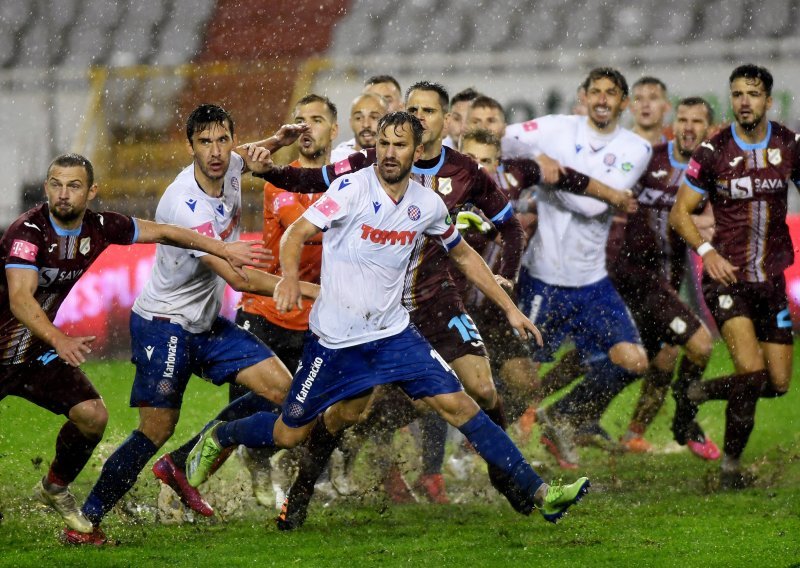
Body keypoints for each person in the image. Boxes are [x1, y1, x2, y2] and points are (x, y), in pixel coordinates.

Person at [184, 111, 590, 530]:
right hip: (336, 341)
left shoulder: (427, 204)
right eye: (384, 144)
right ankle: (223, 437)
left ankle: (541, 493)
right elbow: (295, 234)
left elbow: (464, 254)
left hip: (394, 335)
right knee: (291, 433)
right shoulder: (350, 188)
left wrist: (510, 309)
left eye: (400, 145)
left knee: (461, 404)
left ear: (417, 151)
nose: (390, 153)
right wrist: (288, 278)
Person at [258, 81, 536, 510]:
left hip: (436, 300)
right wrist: (268, 169)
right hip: (373, 311)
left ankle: (509, 478)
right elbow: (310, 179)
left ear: (445, 122)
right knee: (348, 414)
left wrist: (509, 284)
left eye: (428, 112)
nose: (420, 117)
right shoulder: (368, 165)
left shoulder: (465, 172)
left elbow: (501, 233)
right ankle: (308, 486)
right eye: (413, 109)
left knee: (478, 389)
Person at [63, 104, 319, 545]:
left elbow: (252, 154)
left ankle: (192, 456)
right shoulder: (184, 203)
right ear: (190, 146)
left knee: (287, 395)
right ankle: (87, 521)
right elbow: (239, 277)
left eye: (223, 140)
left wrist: (279, 139)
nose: (216, 152)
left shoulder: (234, 165)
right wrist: (316, 292)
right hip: (163, 326)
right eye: (205, 142)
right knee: (155, 428)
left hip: (205, 324)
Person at [0, 152, 265, 534]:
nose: (63, 194)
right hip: (34, 344)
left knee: (93, 416)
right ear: (45, 188)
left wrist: (222, 248)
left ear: (92, 191)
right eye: (56, 184)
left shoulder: (101, 226)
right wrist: (59, 338)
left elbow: (167, 232)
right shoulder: (28, 233)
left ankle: (55, 487)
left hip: (32, 352)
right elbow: (20, 299)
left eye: (73, 186)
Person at [152, 95, 339, 511]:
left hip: (314, 317)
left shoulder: (341, 181)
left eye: (317, 120)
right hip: (266, 310)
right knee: (273, 403)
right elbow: (295, 236)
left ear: (334, 131)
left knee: (303, 398)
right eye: (300, 120)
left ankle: (195, 464)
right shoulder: (279, 181)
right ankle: (195, 465)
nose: (307, 128)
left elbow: (230, 157)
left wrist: (274, 139)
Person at [503, 67, 651, 469]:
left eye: (612, 93)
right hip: (542, 278)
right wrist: (536, 158)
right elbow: (504, 136)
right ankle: (479, 445)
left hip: (591, 283)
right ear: (583, 96)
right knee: (520, 379)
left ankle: (562, 418)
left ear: (624, 101)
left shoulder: (636, 148)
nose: (602, 99)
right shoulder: (555, 129)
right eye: (595, 91)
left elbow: (593, 205)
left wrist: (548, 178)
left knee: (633, 361)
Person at [669, 64, 796, 489]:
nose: (744, 101)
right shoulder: (713, 150)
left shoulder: (788, 144)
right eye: (737, 93)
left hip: (772, 280)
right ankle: (730, 470)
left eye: (753, 94)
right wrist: (707, 251)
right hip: (727, 279)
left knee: (775, 384)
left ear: (767, 100)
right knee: (749, 370)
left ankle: (693, 394)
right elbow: (679, 213)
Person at [610, 97, 720, 458]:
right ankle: (685, 418)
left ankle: (629, 434)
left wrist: (702, 223)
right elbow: (613, 192)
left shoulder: (710, 172)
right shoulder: (649, 158)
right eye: (683, 119)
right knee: (700, 345)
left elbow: (716, 221)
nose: (688, 127)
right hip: (635, 276)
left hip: (665, 281)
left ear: (709, 129)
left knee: (662, 358)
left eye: (696, 121)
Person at [330, 93, 387, 162]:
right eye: (358, 118)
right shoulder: (335, 159)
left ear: (387, 122)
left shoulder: (396, 159)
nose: (366, 124)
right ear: (351, 123)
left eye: (374, 117)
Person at [629, 77, 672, 146]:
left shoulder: (675, 153)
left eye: (653, 98)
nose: (645, 104)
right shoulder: (615, 148)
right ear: (631, 107)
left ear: (666, 107)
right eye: (639, 98)